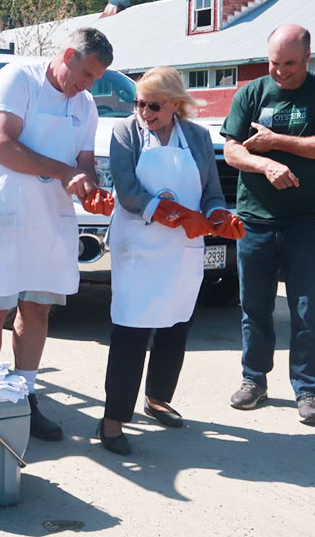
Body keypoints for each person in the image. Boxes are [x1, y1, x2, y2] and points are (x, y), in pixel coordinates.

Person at [0, 28, 115, 441]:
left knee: (37, 310)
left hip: (52, 219)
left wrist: (91, 190)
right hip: (5, 213)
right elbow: (0, 146)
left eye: (94, 79)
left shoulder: (85, 106)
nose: (87, 85)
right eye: (84, 74)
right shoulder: (18, 80)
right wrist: (65, 172)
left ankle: (24, 398)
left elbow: (83, 162)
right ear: (67, 55)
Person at [98, 67, 244, 455]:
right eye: (139, 103)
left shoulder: (196, 136)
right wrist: (174, 215)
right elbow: (127, 192)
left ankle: (158, 398)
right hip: (138, 246)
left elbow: (211, 192)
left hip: (183, 249)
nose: (144, 112)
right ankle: (113, 420)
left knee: (176, 323)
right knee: (130, 329)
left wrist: (218, 217)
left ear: (177, 104)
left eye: (154, 105)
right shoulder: (125, 133)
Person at [222, 24, 315, 425]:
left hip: (306, 222)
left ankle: (308, 389)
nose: (280, 71)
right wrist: (264, 164)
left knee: (307, 308)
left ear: (308, 58)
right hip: (255, 220)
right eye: (274, 62)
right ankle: (254, 380)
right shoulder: (252, 92)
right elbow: (231, 150)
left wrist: (276, 141)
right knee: (254, 307)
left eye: (290, 64)